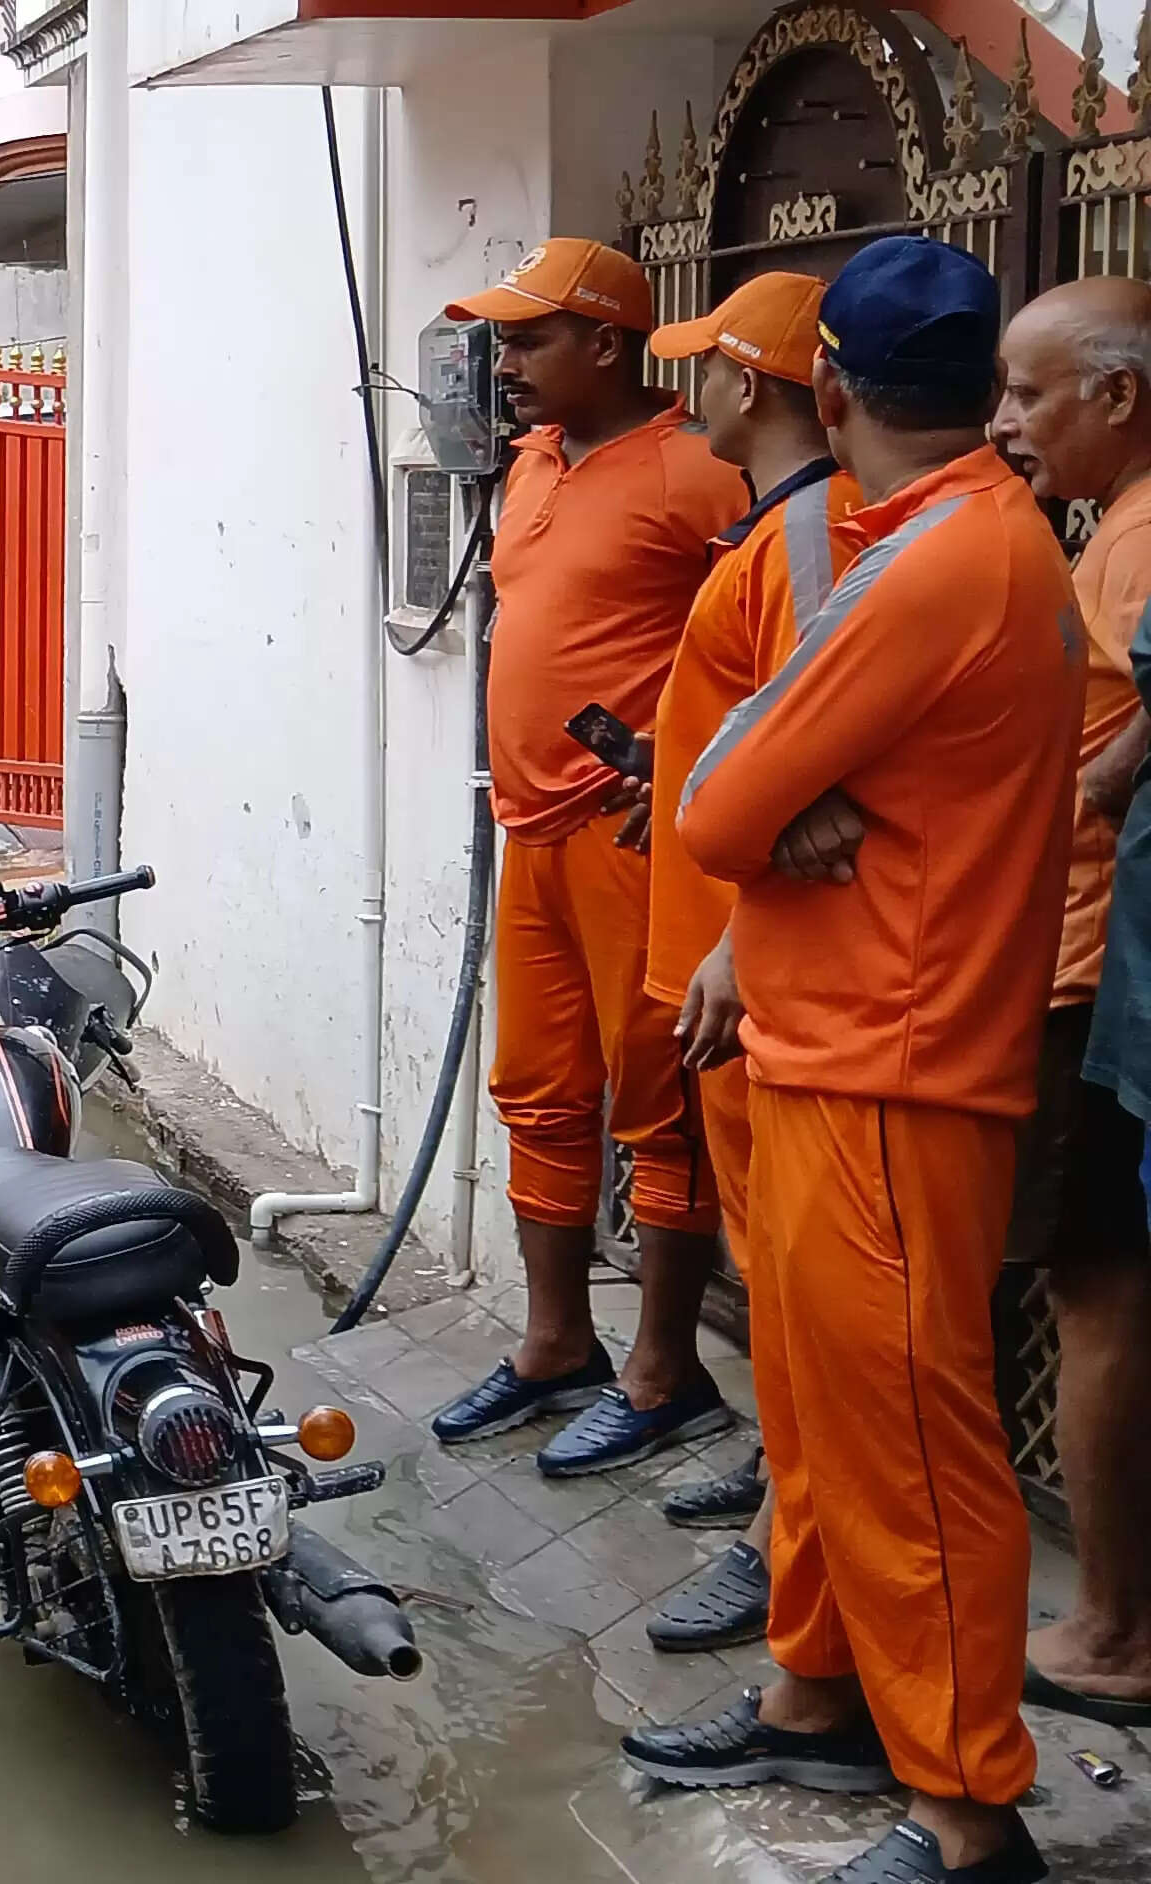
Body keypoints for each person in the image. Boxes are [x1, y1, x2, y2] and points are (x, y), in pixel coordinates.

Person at [633, 235, 1067, 1884]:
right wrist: (791, 812)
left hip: (896, 1059)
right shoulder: (953, 537)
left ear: (829, 390)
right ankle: (814, 1695)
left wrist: (779, 811)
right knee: (820, 1418)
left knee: (913, 1455)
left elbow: (716, 805)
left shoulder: (941, 561)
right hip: (847, 1044)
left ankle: (967, 1809)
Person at [430, 236, 751, 1477]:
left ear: (606, 342)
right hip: (532, 830)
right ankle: (557, 1344)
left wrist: (690, 760)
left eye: (529, 339)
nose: (504, 363)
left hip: (638, 839)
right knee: (539, 1091)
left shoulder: (696, 471)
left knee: (660, 1104)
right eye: (503, 341)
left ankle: (666, 1374)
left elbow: (778, 633)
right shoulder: (532, 462)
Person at [634, 271, 853, 1656]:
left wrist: (730, 942)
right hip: (721, 963)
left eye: (700, 367)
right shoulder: (769, 534)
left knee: (798, 1275)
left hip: (751, 971)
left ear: (748, 383)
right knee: (768, 1269)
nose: (687, 390)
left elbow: (820, 767)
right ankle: (781, 1477)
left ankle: (792, 1544)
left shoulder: (810, 540)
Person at [1004, 273, 1151, 1732]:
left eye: (1031, 393)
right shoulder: (1114, 528)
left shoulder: (1143, 533)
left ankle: (1115, 1628)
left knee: (1094, 1287)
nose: (1010, 423)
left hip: (1093, 969)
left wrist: (1108, 775)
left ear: (1118, 393)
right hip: (1082, 957)